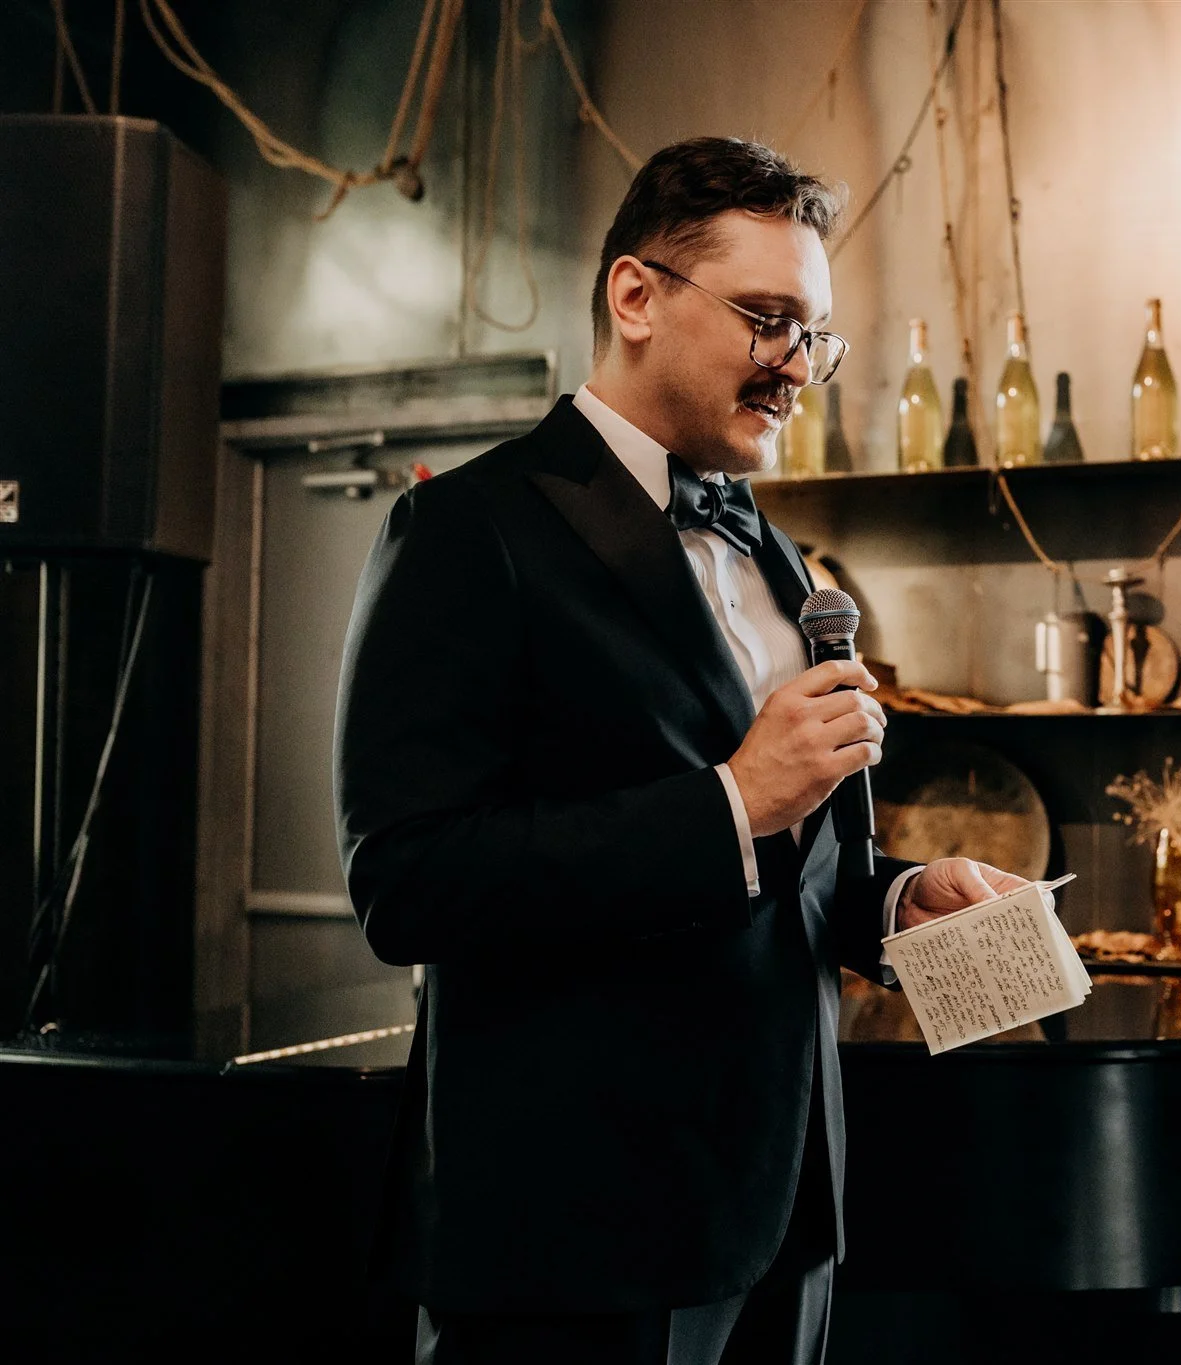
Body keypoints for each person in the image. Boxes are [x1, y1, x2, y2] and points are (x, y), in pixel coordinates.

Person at [334, 137, 1029, 1365]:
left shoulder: (777, 555)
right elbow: (407, 881)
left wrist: (895, 898)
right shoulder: (461, 531)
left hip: (790, 1211)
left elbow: (790, 869)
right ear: (635, 296)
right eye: (767, 320)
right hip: (578, 1233)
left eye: (812, 335)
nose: (796, 366)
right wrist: (727, 802)